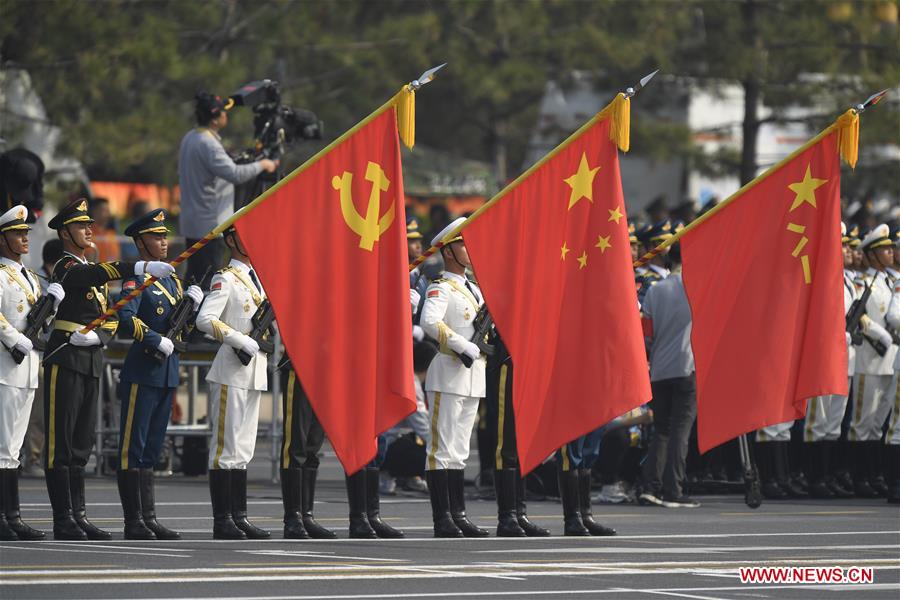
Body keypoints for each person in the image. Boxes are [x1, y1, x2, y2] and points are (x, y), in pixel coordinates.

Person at [43, 198, 175, 541]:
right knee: (62, 442)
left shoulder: (93, 266)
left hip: (90, 358)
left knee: (82, 443)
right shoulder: (66, 266)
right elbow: (91, 275)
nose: (90, 230)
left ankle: (79, 516)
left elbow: (113, 315)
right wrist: (138, 268)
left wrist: (99, 336)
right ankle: (63, 519)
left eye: (90, 224)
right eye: (81, 226)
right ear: (64, 232)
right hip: (65, 356)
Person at [114, 209, 203, 539]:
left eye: (165, 235)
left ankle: (148, 517)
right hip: (143, 370)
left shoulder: (172, 280)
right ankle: (133, 520)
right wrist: (155, 339)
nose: (164, 241)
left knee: (152, 448)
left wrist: (193, 308)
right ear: (140, 243)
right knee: (133, 447)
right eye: (156, 236)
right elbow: (126, 317)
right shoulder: (137, 280)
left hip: (167, 372)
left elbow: (183, 330)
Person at [195, 226, 272, 540]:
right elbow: (204, 319)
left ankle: (239, 516)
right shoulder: (224, 278)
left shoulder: (260, 279)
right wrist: (238, 338)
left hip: (254, 371)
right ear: (231, 240)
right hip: (230, 370)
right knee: (225, 449)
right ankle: (222, 519)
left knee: (243, 450)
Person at [419, 217, 489, 538]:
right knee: (441, 449)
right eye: (463, 244)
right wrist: (462, 345)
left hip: (473, 377)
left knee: (460, 449)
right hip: (448, 373)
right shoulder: (440, 286)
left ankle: (458, 514)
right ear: (449, 251)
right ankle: (441, 517)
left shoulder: (474, 288)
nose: (469, 249)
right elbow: (431, 322)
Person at [0, 205, 64, 540]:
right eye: (17, 233)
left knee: (13, 447)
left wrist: (52, 305)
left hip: (26, 369)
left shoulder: (31, 278)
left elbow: (40, 324)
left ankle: (12, 517)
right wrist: (14, 339)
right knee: (2, 447)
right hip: (5, 369)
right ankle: (4, 517)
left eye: (26, 233)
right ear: (3, 238)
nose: (25, 238)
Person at [178, 92, 277, 287]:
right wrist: (263, 164)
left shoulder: (190, 137)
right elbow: (235, 174)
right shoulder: (208, 143)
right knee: (207, 283)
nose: (226, 115)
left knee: (194, 281)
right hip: (210, 225)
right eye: (223, 112)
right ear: (215, 119)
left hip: (192, 222)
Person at [638, 243, 700, 508]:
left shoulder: (655, 290)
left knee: (660, 431)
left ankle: (650, 486)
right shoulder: (696, 287)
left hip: (659, 369)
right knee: (680, 431)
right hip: (687, 367)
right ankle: (673, 488)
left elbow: (646, 333)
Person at [802, 223, 857, 499]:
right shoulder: (818, 275)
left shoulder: (845, 278)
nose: (846, 250)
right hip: (823, 356)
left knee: (834, 421)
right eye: (842, 244)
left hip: (844, 355)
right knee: (818, 420)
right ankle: (814, 478)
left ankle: (827, 476)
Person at [484, 328, 551, 538]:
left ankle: (519, 514)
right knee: (506, 442)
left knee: (521, 442)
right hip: (506, 354)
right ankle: (507, 516)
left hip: (527, 355)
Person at [849, 224, 896, 497]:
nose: (890, 253)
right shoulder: (862, 283)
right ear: (871, 255)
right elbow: (859, 317)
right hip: (869, 360)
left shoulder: (890, 283)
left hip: (890, 362)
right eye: (884, 250)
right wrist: (884, 337)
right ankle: (860, 477)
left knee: (879, 423)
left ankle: (875, 474)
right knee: (862, 423)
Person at [278, 358, 336, 540]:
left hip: (324, 369)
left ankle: (306, 515)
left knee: (313, 445)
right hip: (299, 363)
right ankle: (293, 517)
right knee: (296, 445)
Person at [22, 239, 64, 477]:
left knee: (51, 408)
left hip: (53, 352)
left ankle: (46, 455)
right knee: (38, 410)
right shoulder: (37, 281)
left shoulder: (55, 281)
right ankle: (34, 457)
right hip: (35, 352)